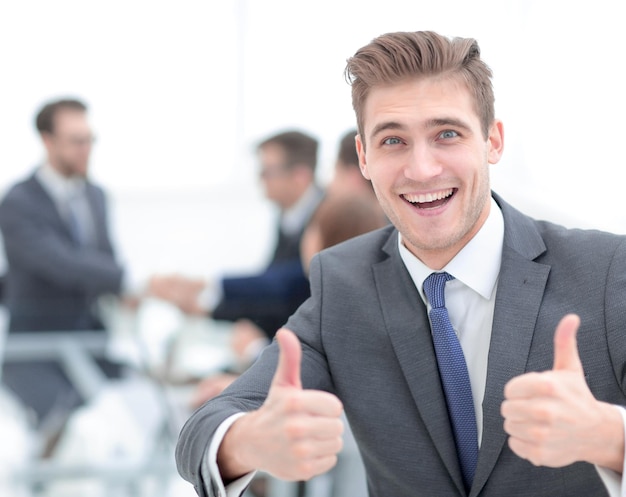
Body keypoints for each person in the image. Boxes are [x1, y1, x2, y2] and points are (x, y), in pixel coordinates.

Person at [175, 30, 626, 497]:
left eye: (446, 134)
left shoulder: (606, 270)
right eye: (394, 141)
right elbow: (203, 430)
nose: (422, 169)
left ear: (493, 141)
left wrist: (611, 437)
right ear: (364, 158)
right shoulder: (343, 283)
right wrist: (249, 442)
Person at [0, 98, 135, 438]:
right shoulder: (17, 203)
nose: (86, 149)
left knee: (136, 413)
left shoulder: (96, 196)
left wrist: (128, 293)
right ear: (47, 141)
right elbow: (60, 263)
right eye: (76, 141)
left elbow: (104, 264)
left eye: (90, 139)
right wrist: (127, 279)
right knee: (71, 435)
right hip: (37, 351)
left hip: (92, 344)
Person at [150, 130, 325, 345]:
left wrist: (206, 284)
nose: (260, 179)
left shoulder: (328, 217)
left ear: (300, 176)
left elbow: (289, 285)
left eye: (267, 171)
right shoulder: (287, 215)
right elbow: (269, 290)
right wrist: (207, 309)